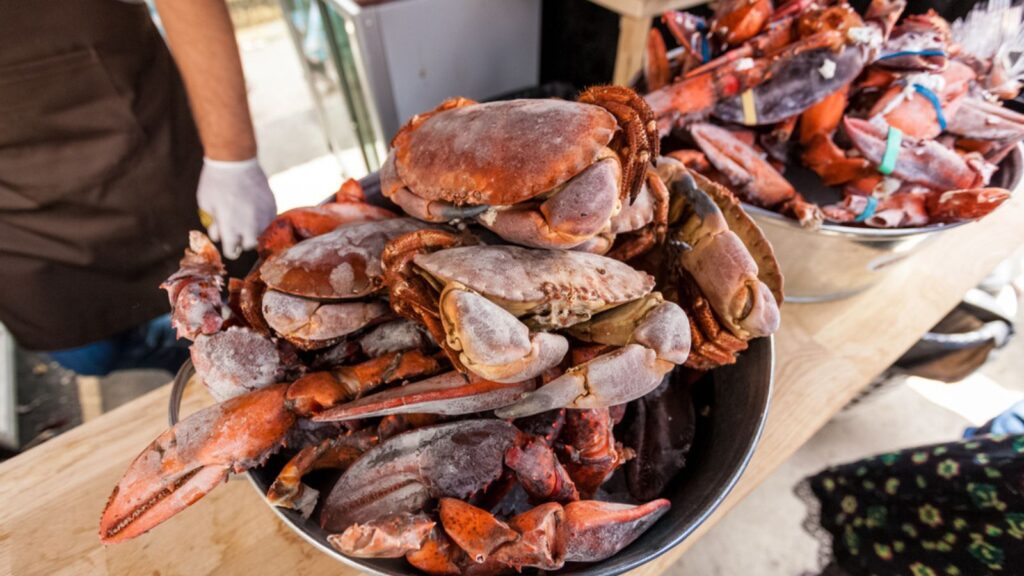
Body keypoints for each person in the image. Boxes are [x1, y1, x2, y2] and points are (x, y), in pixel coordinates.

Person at [0, 0, 277, 375]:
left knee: (239, 310)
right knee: (86, 352)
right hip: (13, 208)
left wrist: (232, 158)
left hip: (128, 127)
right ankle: (182, 358)